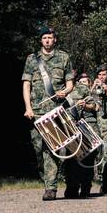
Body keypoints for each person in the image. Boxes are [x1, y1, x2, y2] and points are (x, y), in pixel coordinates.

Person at [22, 27, 74, 201]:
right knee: (39, 149)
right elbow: (26, 85)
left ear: (55, 40)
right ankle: (47, 179)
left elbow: (70, 83)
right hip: (36, 112)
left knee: (52, 149)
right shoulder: (31, 59)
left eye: (50, 37)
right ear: (41, 40)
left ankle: (50, 188)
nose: (47, 40)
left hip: (56, 111)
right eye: (44, 37)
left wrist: (65, 92)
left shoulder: (64, 57)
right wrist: (28, 107)